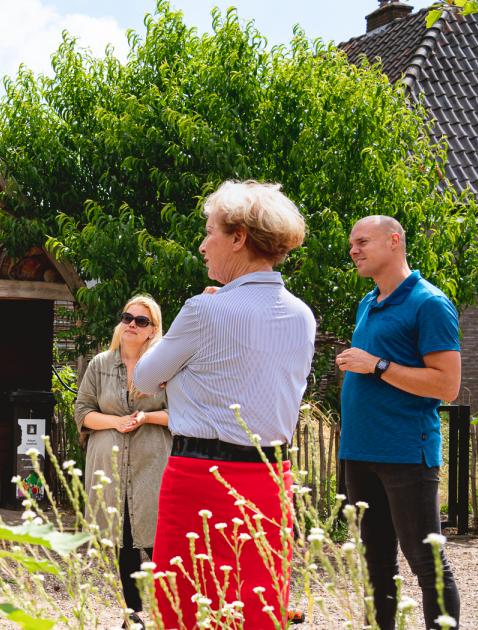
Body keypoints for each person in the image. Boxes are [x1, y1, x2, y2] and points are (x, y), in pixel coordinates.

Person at [135, 180, 315, 629]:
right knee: (258, 609)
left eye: (210, 231)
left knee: (185, 609)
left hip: (200, 479)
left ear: (239, 238)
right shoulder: (302, 314)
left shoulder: (204, 310)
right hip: (272, 479)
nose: (202, 245)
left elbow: (143, 377)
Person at [336, 215, 461, 630]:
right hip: (360, 452)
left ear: (394, 241)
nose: (353, 249)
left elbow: (447, 386)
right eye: (351, 243)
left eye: (361, 241)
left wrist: (377, 365)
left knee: (426, 559)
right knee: (374, 562)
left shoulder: (429, 303)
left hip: (406, 451)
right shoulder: (368, 303)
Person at [74, 295, 170, 625]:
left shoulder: (164, 368)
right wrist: (115, 422)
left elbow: (182, 415)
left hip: (152, 461)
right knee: (124, 536)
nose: (131, 324)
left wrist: (146, 417)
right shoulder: (100, 364)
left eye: (141, 321)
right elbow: (82, 411)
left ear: (152, 329)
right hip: (109, 463)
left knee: (159, 536)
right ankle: (134, 614)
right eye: (127, 317)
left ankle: (166, 609)